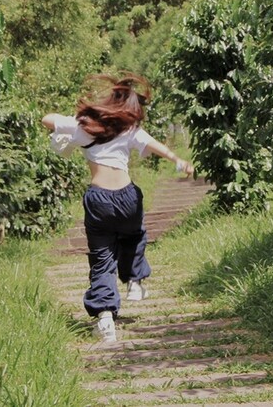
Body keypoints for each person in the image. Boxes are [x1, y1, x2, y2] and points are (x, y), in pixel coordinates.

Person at [42, 73, 194, 344]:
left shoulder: (84, 127)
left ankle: (105, 319)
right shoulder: (130, 130)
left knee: (102, 256)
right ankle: (135, 282)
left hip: (98, 198)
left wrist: (73, 122)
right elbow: (155, 146)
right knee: (134, 236)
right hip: (127, 197)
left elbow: (47, 120)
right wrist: (179, 161)